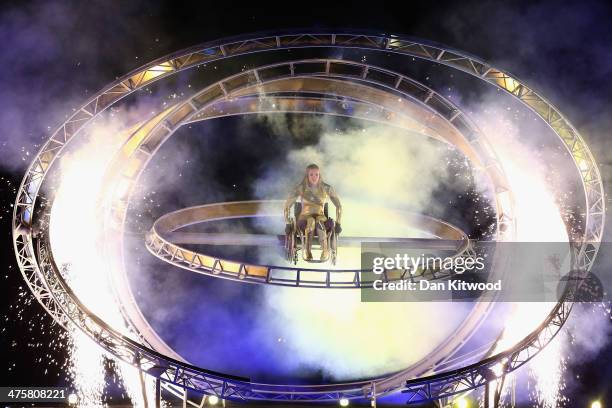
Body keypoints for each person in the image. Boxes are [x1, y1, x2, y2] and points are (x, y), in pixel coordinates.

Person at [284, 163, 342, 261]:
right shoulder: (301, 188)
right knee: (311, 221)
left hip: (320, 216)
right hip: (304, 217)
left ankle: (325, 250)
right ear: (307, 175)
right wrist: (288, 223)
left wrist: (338, 223)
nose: (314, 177)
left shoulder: (326, 188)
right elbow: (287, 206)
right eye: (311, 174)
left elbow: (339, 206)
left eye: (316, 174)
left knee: (319, 221)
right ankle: (307, 251)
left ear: (319, 175)